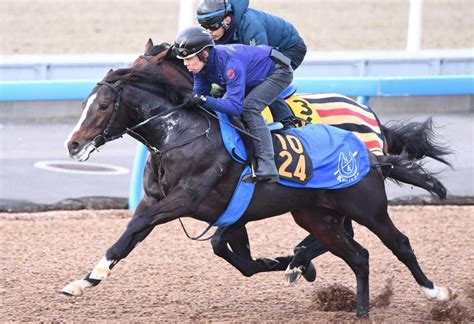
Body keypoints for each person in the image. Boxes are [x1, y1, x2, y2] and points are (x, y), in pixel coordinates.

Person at [174, 25, 294, 183]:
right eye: (183, 59)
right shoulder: (201, 66)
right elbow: (199, 95)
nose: (185, 64)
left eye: (188, 58)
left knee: (249, 108)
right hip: (253, 74)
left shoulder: (230, 64)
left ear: (204, 54)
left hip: (279, 72)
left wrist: (203, 100)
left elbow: (234, 108)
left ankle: (267, 164)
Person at [196, 0, 307, 126]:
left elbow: (263, 65)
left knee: (257, 80)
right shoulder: (221, 29)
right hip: (265, 50)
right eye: (204, 27)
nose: (209, 31)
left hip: (290, 49)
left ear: (226, 21)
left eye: (212, 26)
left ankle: (286, 120)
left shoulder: (251, 25)